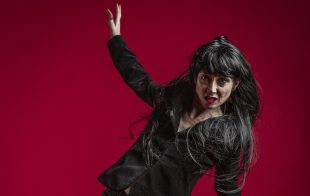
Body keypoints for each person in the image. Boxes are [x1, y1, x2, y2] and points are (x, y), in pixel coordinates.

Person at [98, 3, 260, 196]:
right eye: (205, 79)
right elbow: (139, 79)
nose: (212, 89)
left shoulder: (228, 136)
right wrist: (116, 39)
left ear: (235, 84)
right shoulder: (173, 99)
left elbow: (228, 188)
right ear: (195, 77)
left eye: (222, 81)